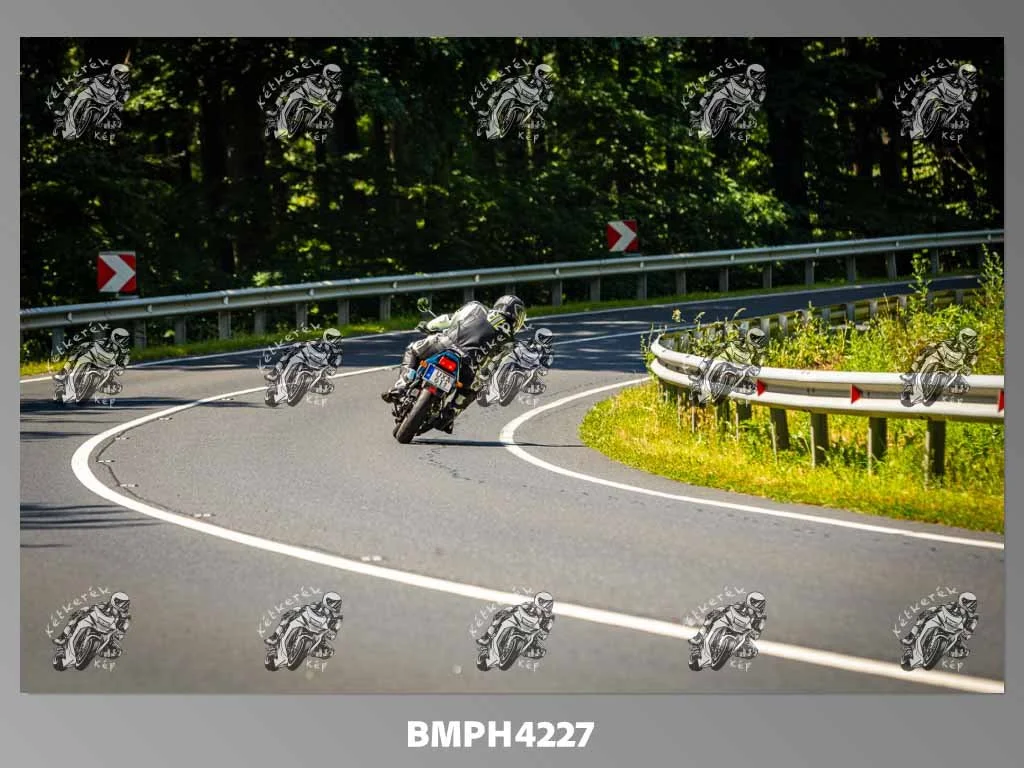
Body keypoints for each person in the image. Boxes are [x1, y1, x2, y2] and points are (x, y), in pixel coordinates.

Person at [381, 295, 527, 421]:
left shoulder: (477, 307)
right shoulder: (510, 342)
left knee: (413, 350)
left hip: (445, 344)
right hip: (468, 365)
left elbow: (449, 319)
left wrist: (429, 326)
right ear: (518, 319)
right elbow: (493, 365)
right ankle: (451, 412)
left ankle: (401, 385)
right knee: (473, 388)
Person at [901, 592, 979, 671]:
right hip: (942, 623)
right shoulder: (953, 605)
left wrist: (968, 632)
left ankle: (941, 653)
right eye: (970, 603)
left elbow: (970, 630)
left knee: (964, 652)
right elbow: (939, 607)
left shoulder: (973, 617)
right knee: (923, 618)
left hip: (955, 632)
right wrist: (930, 611)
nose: (972, 606)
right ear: (963, 601)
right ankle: (910, 637)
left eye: (973, 604)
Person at [900, 328, 978, 406]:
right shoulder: (950, 341)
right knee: (924, 352)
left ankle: (947, 398)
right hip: (940, 360)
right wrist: (931, 346)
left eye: (973, 340)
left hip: (953, 369)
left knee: (964, 387)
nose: (971, 342)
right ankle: (910, 373)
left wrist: (969, 366)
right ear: (963, 336)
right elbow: (937, 343)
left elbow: (974, 358)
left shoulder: (972, 351)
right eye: (970, 339)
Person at [689, 592, 767, 669]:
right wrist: (719, 611)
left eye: (761, 605)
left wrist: (754, 632)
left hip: (742, 634)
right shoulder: (740, 605)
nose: (758, 607)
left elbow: (756, 635)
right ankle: (700, 635)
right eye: (757, 604)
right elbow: (726, 608)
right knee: (712, 615)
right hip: (728, 624)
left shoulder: (761, 618)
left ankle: (728, 652)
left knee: (753, 652)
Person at [264, 328, 344, 404]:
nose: (337, 341)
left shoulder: (337, 352)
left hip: (319, 368)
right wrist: (296, 345)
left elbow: (337, 361)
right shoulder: (317, 341)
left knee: (329, 387)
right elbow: (304, 343)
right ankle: (275, 372)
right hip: (306, 359)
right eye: (335, 339)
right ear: (327, 337)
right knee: (288, 354)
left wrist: (333, 367)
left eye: (338, 339)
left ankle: (310, 387)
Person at [53, 592, 131, 669]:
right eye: (121, 603)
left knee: (117, 652)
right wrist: (83, 612)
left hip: (106, 632)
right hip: (92, 623)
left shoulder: (125, 617)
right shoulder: (103, 605)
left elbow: (123, 629)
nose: (122, 605)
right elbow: (90, 608)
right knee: (77, 616)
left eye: (125, 604)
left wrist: (119, 633)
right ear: (114, 600)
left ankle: (94, 652)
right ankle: (63, 637)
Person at [265, 592, 344, 668]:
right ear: (326, 600)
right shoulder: (317, 605)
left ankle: (306, 652)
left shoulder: (337, 618)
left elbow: (333, 633)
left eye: (337, 604)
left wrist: (331, 632)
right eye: (333, 603)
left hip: (318, 634)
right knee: (290, 614)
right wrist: (298, 611)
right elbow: (305, 608)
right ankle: (275, 636)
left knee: (330, 652)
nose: (335, 605)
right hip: (306, 623)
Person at [53, 327, 131, 403]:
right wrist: (85, 345)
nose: (125, 341)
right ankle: (64, 370)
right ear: (116, 337)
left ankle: (100, 387)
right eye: (123, 339)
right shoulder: (105, 341)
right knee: (77, 351)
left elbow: (124, 362)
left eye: (126, 339)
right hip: (92, 359)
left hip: (107, 368)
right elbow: (92, 343)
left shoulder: (124, 352)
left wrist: (121, 367)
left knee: (117, 387)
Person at [902, 64, 978, 140]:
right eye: (971, 75)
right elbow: (939, 78)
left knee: (960, 114)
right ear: (963, 72)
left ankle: (946, 128)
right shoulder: (952, 76)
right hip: (939, 94)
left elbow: (974, 93)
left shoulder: (971, 85)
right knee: (922, 89)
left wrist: (970, 102)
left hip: (954, 102)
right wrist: (931, 82)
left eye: (974, 75)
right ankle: (911, 111)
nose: (973, 77)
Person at [691, 63, 767, 139]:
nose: (758, 79)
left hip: (742, 103)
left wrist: (757, 102)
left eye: (761, 77)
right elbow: (726, 79)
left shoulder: (761, 87)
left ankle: (735, 127)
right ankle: (700, 111)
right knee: (711, 92)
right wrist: (718, 82)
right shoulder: (740, 76)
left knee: (747, 115)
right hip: (727, 94)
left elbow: (761, 97)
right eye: (757, 76)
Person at [58, 63, 131, 140]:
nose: (124, 77)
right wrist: (87, 80)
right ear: (115, 72)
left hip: (106, 101)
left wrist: (121, 101)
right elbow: (93, 79)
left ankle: (100, 126)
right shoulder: (105, 76)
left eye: (125, 76)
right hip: (93, 93)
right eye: (122, 75)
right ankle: (65, 110)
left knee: (112, 113)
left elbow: (126, 94)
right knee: (77, 96)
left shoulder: (124, 86)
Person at [477, 592, 556, 661]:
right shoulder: (529, 604)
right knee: (501, 615)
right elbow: (516, 608)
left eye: (550, 604)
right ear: (539, 601)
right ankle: (487, 637)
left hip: (531, 632)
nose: (548, 606)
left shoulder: (550, 617)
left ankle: (519, 651)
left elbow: (545, 633)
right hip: (519, 623)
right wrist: (507, 611)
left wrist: (542, 632)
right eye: (546, 603)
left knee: (541, 652)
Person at [274, 64, 343, 139]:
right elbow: (304, 79)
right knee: (289, 97)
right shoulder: (317, 76)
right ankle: (277, 107)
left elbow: (338, 94)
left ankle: (311, 126)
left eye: (338, 75)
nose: (336, 77)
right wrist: (295, 82)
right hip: (304, 93)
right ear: (328, 72)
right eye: (335, 75)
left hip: (319, 101)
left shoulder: (337, 86)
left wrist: (334, 102)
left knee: (322, 113)